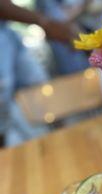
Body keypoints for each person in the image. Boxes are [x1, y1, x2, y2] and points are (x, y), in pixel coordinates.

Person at [0, 0, 77, 147]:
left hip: (5, 30)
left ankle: (66, 143)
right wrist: (45, 22)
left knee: (41, 90)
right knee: (2, 115)